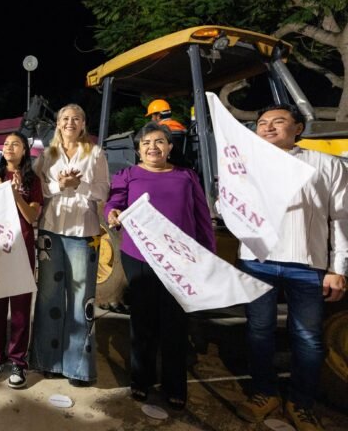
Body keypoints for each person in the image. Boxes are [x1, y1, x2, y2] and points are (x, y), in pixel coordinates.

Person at [235, 104, 347, 431]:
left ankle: (301, 402)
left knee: (308, 337)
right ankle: (265, 393)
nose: (268, 127)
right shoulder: (244, 166)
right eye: (262, 122)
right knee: (258, 331)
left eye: (278, 121)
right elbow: (229, 207)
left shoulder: (326, 165)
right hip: (256, 262)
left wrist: (338, 268)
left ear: (298, 128)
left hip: (307, 265)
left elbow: (341, 218)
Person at [105, 122, 215, 410]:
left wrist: (209, 256)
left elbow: (202, 218)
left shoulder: (186, 176)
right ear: (138, 150)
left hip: (179, 260)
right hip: (139, 257)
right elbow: (114, 203)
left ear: (169, 147)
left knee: (175, 322)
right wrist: (112, 213)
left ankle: (174, 385)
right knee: (142, 320)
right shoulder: (128, 175)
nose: (152, 147)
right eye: (146, 143)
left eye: (159, 142)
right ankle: (141, 380)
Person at [30, 103, 110, 387]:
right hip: (51, 232)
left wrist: (79, 186)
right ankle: (47, 360)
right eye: (65, 118)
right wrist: (59, 186)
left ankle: (78, 367)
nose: (70, 122)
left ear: (83, 123)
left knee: (81, 300)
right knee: (48, 297)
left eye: (76, 118)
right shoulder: (46, 155)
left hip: (83, 233)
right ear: (58, 123)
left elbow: (103, 189)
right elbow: (38, 189)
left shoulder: (95, 153)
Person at [0, 132, 42, 389]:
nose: (9, 147)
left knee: (20, 309)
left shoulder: (32, 180)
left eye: (15, 144)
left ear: (25, 150)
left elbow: (32, 217)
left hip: (21, 249)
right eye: (6, 144)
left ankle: (18, 360)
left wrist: (15, 195)